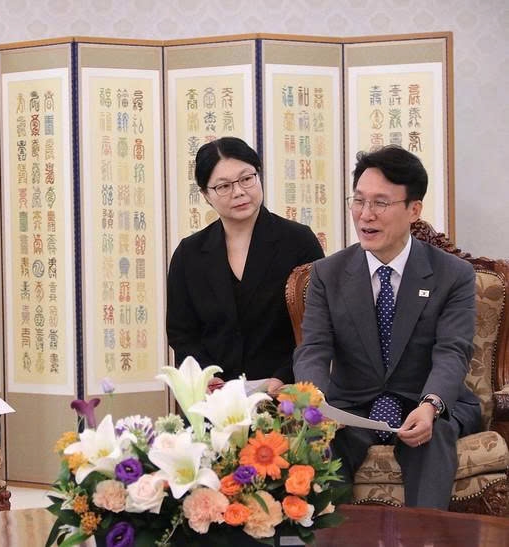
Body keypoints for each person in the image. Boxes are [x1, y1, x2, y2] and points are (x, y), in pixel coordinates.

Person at [293, 145, 482, 509]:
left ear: (414, 209)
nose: (366, 215)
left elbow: (452, 350)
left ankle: (425, 538)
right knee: (318, 444)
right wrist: (317, 403)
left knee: (434, 436)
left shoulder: (452, 275)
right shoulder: (327, 274)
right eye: (359, 201)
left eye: (380, 203)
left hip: (424, 401)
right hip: (354, 407)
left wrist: (431, 404)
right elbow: (313, 348)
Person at [166, 137, 324, 394]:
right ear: (206, 195)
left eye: (246, 179)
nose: (238, 191)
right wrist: (207, 377)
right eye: (224, 186)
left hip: (284, 395)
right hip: (215, 399)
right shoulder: (189, 253)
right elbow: (181, 333)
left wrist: (284, 376)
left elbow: (318, 323)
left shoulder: (298, 241)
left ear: (258, 176)